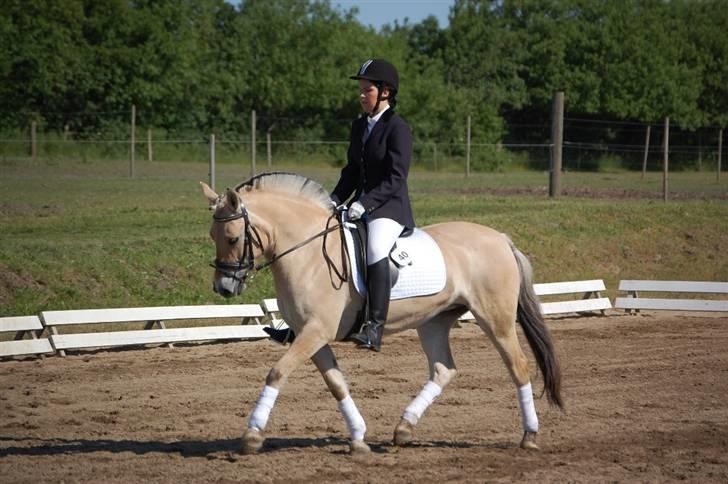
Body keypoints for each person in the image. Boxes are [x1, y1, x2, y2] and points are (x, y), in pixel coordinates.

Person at [265, 58, 415, 352]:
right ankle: (300, 322)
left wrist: (365, 204)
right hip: (360, 204)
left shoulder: (397, 128)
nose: (361, 95)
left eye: (366, 90)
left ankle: (374, 326)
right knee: (325, 240)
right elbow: (351, 172)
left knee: (375, 248)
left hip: (389, 209)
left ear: (385, 92)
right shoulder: (360, 126)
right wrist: (332, 200)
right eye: (359, 90)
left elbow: (396, 177)